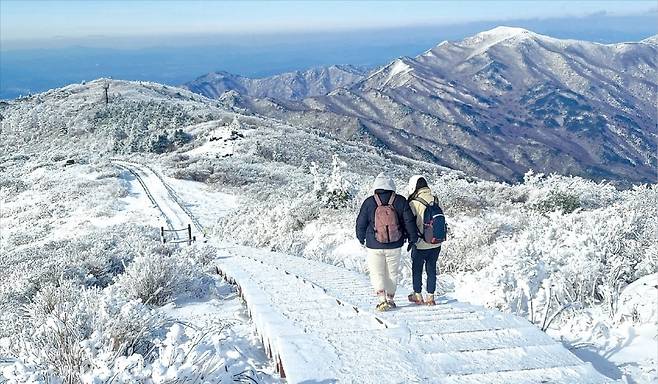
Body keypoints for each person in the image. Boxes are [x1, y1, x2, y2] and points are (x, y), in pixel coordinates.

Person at [356, 172, 418, 311]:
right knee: (392, 272)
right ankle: (390, 299)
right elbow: (409, 221)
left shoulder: (369, 202)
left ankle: (381, 299)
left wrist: (361, 238)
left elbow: (361, 222)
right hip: (395, 245)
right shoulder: (400, 201)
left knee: (377, 272)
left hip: (374, 244)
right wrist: (412, 238)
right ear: (392, 186)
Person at [406, 175, 444, 306]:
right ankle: (430, 297)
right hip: (436, 241)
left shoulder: (414, 203)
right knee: (431, 268)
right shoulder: (435, 199)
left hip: (421, 243)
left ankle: (418, 295)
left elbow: (409, 222)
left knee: (417, 269)